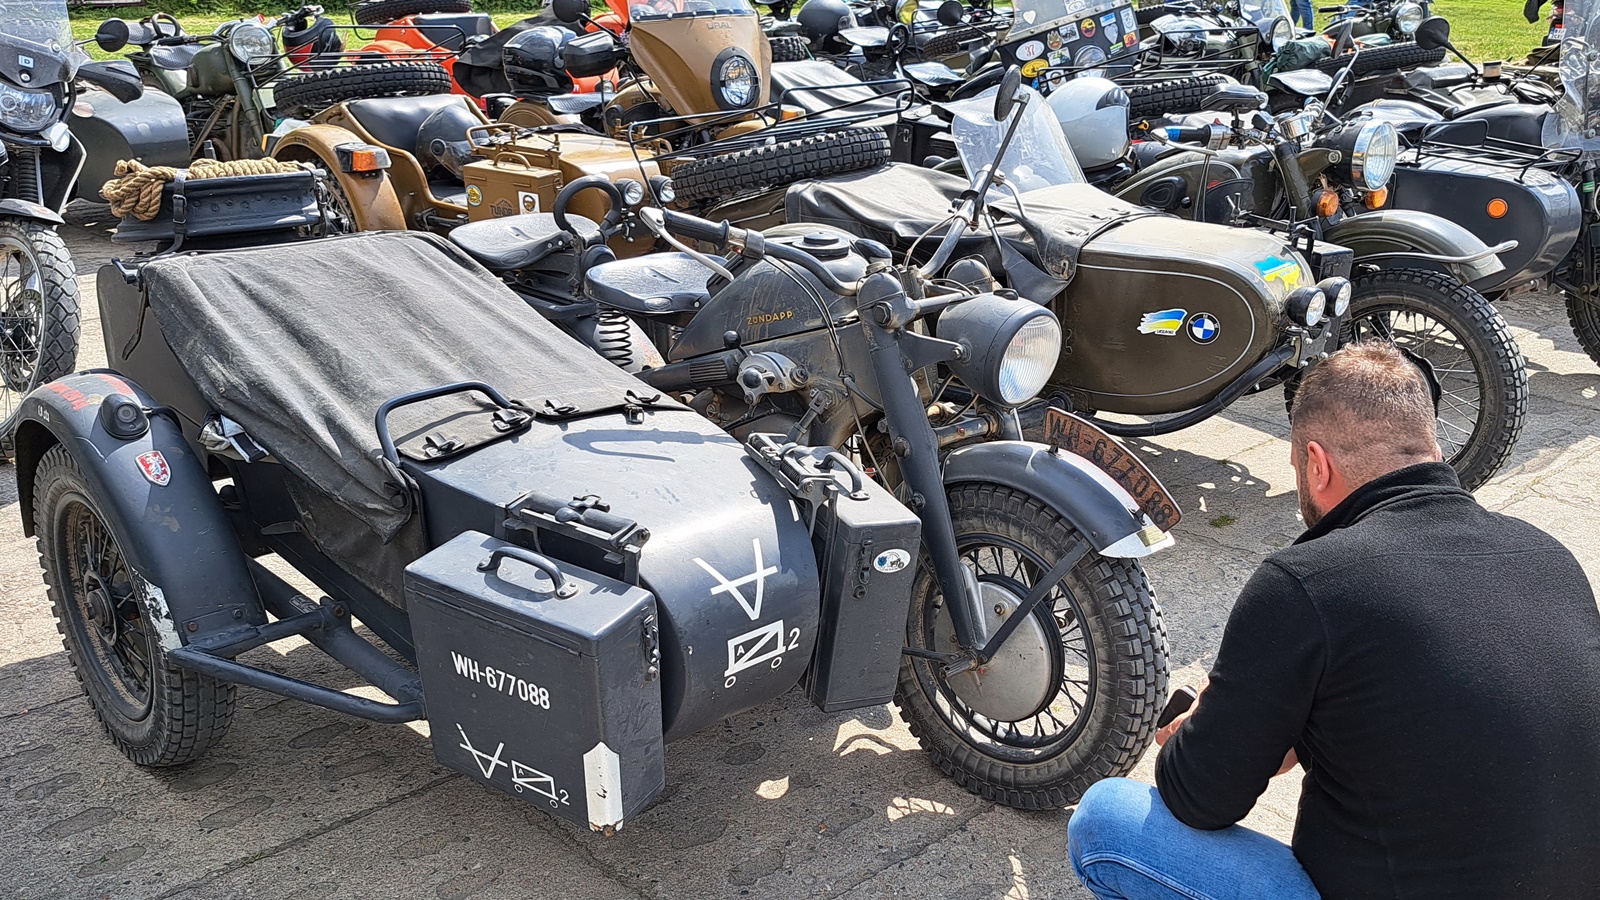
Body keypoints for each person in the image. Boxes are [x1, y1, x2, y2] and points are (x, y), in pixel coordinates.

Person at [1066, 342, 1600, 899]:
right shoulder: (1549, 557)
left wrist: (1204, 727)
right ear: (1431, 444)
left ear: (1317, 464)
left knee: (1107, 817)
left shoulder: (1307, 582)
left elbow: (1200, 798)